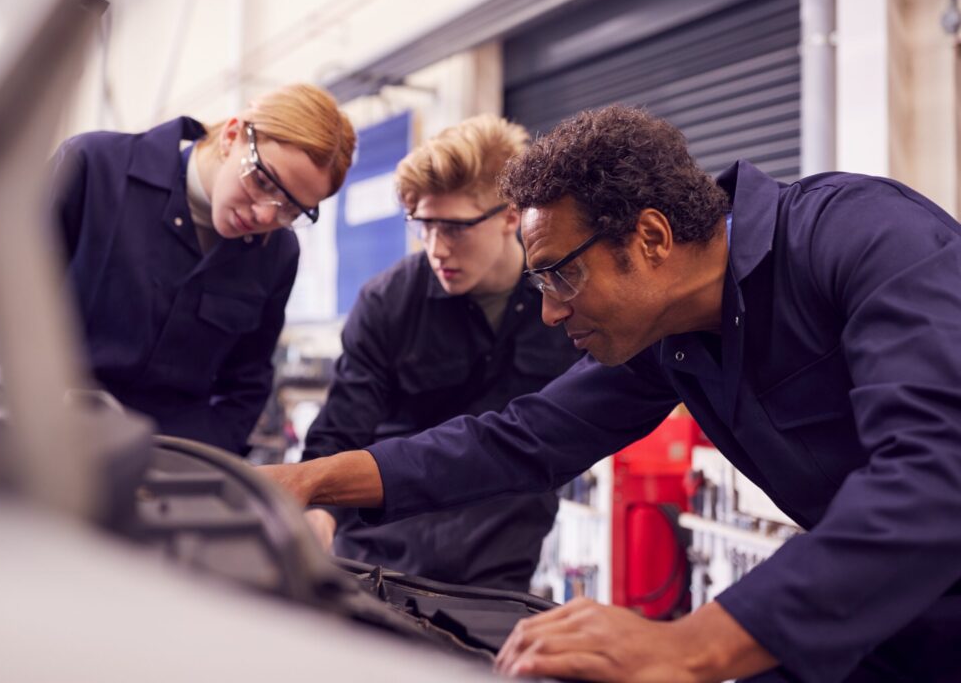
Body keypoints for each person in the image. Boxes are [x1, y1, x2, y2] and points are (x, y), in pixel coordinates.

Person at [259, 103, 961, 682]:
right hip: (879, 610)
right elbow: (521, 439)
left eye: (561, 277)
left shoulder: (865, 238)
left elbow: (936, 474)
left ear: (651, 237)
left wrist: (688, 643)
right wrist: (309, 481)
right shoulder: (671, 337)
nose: (552, 312)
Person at [0, 84, 356, 456]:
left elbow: (247, 384)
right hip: (40, 446)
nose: (267, 213)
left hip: (167, 469)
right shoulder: (95, 168)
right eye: (265, 181)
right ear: (233, 135)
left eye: (292, 209)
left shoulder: (277, 253)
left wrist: (200, 457)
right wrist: (5, 422)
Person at [300, 115, 581, 591]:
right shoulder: (388, 302)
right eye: (424, 227)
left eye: (454, 229)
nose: (436, 250)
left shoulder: (567, 300)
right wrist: (318, 515)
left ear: (510, 215)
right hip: (380, 555)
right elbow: (342, 427)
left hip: (500, 563)